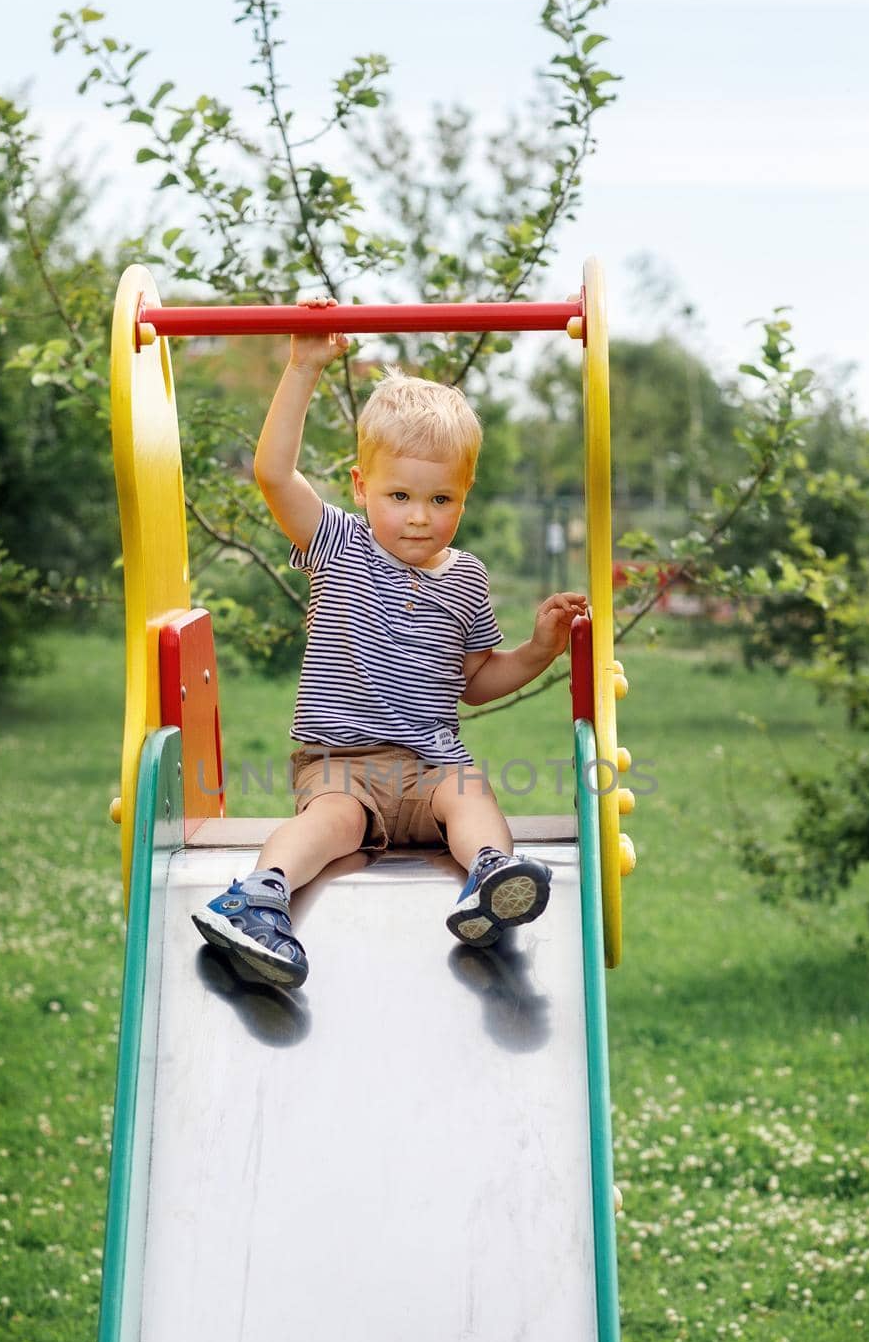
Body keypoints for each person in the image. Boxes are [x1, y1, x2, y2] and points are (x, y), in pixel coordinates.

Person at [192, 300, 587, 989]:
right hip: (340, 761)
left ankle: (490, 881)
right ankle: (258, 900)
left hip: (431, 766)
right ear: (361, 485)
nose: (418, 516)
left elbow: (475, 680)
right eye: (399, 494)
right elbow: (274, 476)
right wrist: (303, 368)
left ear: (464, 494)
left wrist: (539, 650)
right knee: (332, 822)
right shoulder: (338, 543)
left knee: (470, 798)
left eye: (440, 500)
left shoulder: (467, 577)